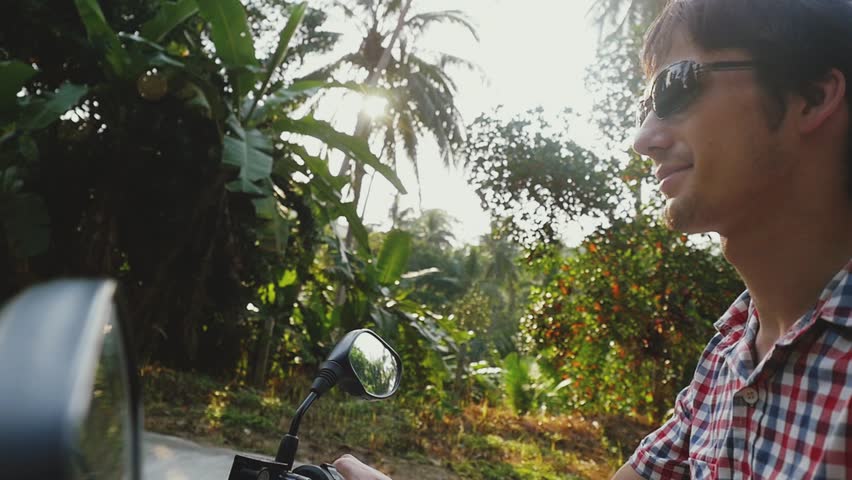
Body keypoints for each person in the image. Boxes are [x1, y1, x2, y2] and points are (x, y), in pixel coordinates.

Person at [334, 0, 852, 478]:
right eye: (643, 106)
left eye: (675, 89)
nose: (643, 139)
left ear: (812, 96)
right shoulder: (730, 352)